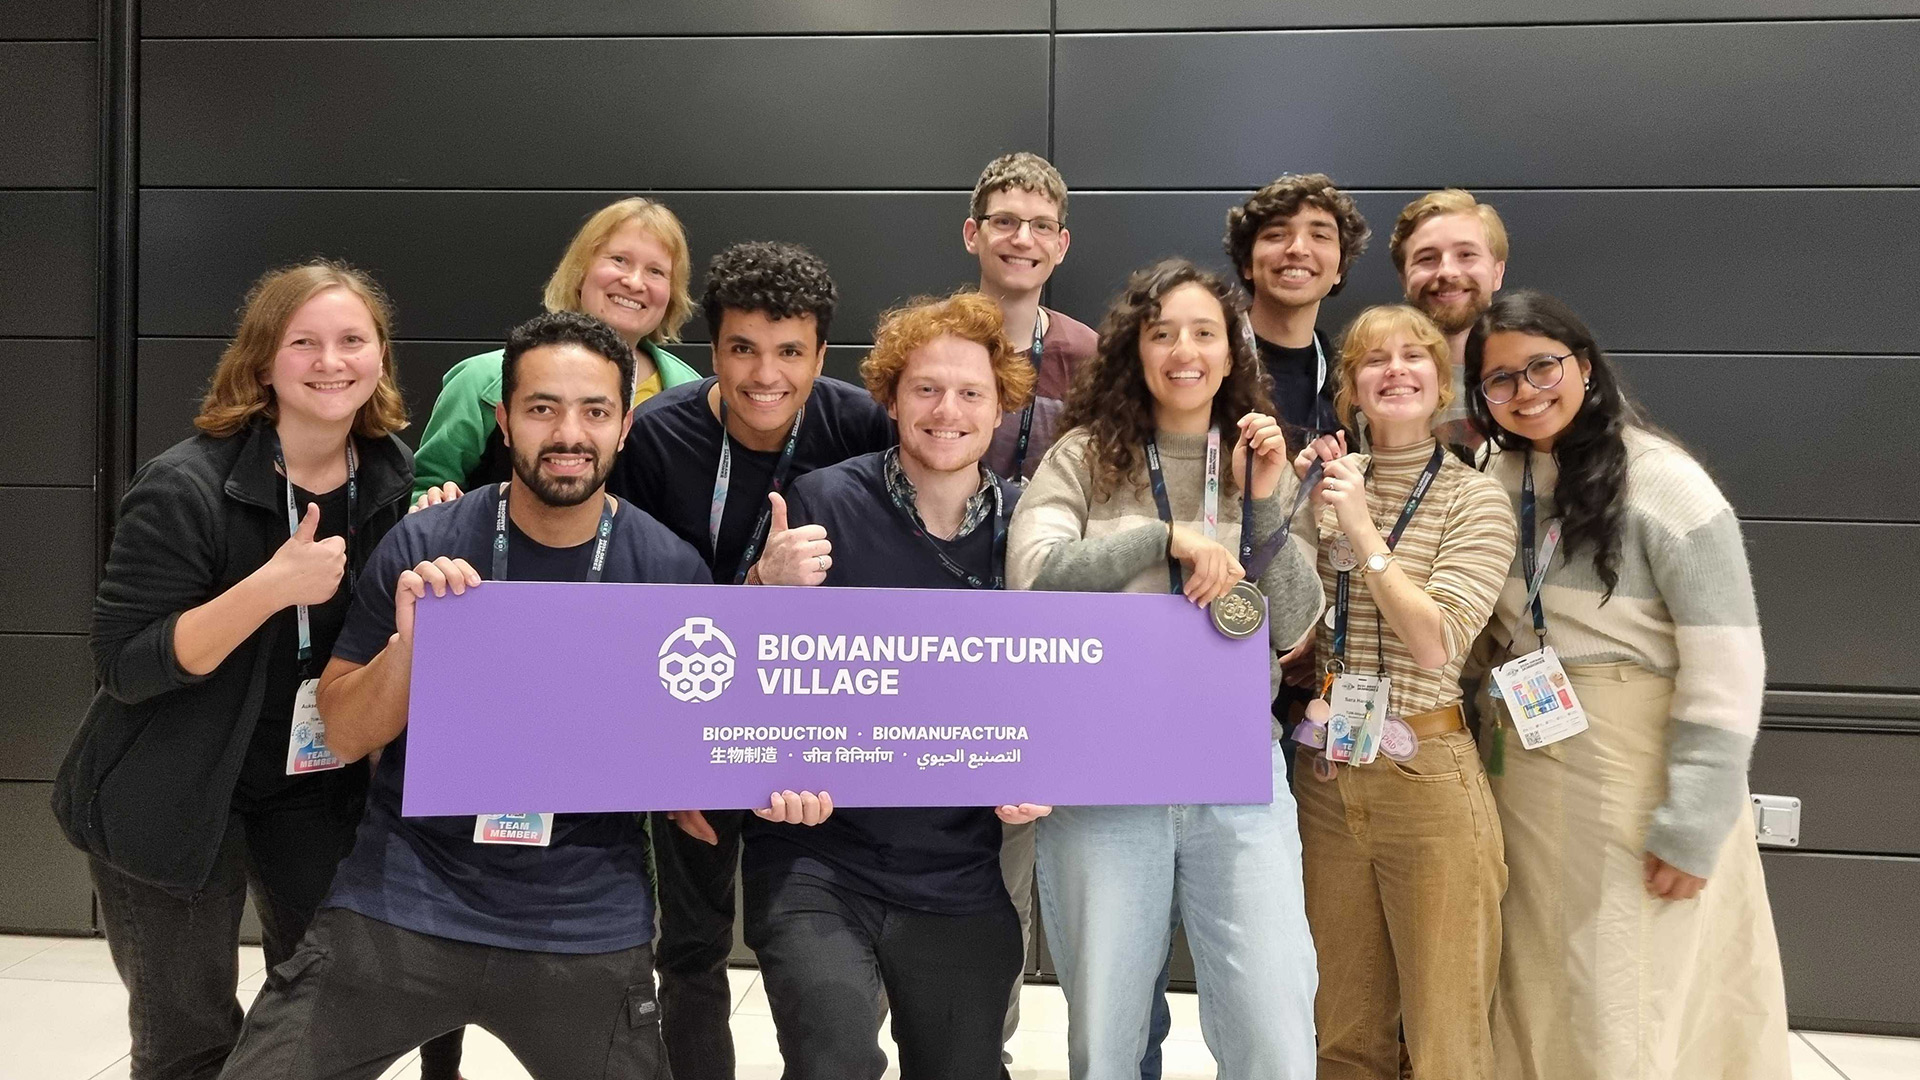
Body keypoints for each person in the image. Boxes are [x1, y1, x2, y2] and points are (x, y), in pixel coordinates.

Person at [216, 311, 784, 1079]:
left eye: (595, 411)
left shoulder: (667, 569)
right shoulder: (427, 544)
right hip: (406, 898)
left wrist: (730, 778)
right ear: (504, 419)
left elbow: (698, 756)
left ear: (624, 428)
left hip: (581, 920)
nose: (568, 433)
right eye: (543, 408)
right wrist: (415, 647)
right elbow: (344, 735)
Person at [50, 261, 414, 1080]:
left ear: (380, 358)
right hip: (170, 788)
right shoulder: (186, 486)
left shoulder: (395, 477)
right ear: (263, 362)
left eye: (353, 340)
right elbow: (123, 665)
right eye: (305, 343)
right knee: (192, 1041)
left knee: (334, 1001)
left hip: (309, 781)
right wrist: (268, 590)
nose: (332, 361)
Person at [1007, 258, 1322, 1080]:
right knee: (1106, 1040)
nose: (1184, 350)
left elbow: (1292, 625)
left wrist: (1262, 505)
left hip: (1234, 771)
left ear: (1231, 352)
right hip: (1104, 771)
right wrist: (1161, 538)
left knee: (1274, 1024)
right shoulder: (1083, 456)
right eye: (1161, 333)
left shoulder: (1260, 457)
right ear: (1134, 352)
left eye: (1204, 333)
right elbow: (1032, 577)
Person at [1463, 291, 1790, 1080]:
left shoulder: (1666, 484)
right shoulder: (1493, 476)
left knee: (1624, 980)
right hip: (1527, 770)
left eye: (1542, 365)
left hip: (1633, 770)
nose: (1526, 390)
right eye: (1499, 380)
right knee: (1538, 981)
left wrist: (1695, 819)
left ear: (1584, 365)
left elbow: (1729, 663)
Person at [735, 291, 1050, 1079]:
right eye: (927, 389)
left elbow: (1061, 683)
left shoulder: (1029, 528)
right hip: (818, 851)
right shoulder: (821, 505)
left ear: (1002, 405)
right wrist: (761, 590)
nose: (948, 410)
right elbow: (734, 666)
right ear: (893, 397)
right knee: (833, 1057)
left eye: (971, 392)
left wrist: (1048, 770)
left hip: (957, 865)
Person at [608, 240, 895, 1080]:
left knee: (820, 926)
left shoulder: (860, 427)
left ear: (820, 355)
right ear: (712, 350)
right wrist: (669, 759)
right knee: (692, 943)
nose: (764, 374)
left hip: (817, 721)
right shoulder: (657, 440)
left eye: (789, 353)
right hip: (695, 716)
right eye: (742, 349)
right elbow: (635, 614)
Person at [1285, 304, 1516, 1079]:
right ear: (1349, 386)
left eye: (1413, 357)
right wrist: (1287, 507)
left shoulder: (1474, 498)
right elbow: (1291, 628)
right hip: (1327, 774)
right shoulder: (1319, 486)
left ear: (1440, 381)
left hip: (1429, 772)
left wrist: (1363, 532)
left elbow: (1436, 640)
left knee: (1447, 1033)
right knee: (1342, 1033)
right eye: (1373, 360)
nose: (1394, 371)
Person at [958, 149, 1099, 1071]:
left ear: (1061, 245)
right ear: (973, 234)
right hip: (940, 620)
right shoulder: (938, 338)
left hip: (1042, 633)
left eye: (1039, 224)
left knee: (1015, 854)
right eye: (1004, 220)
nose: (1021, 237)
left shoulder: (1087, 353)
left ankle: (987, 1049)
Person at [411, 196, 701, 502]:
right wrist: (429, 503)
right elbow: (424, 488)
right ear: (580, 272)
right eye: (619, 260)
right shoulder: (481, 382)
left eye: (656, 271)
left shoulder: (689, 393)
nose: (634, 281)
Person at [1223, 172, 1370, 440]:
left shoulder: (1348, 381)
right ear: (1247, 263)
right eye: (1277, 234)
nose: (1298, 249)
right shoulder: (1209, 359)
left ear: (1340, 267)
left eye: (1320, 236)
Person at [1389, 189, 1509, 445]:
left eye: (1466, 255)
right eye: (1427, 258)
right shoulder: (1379, 383)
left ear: (1497, 273)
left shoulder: (1547, 379)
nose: (1447, 272)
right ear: (1404, 279)